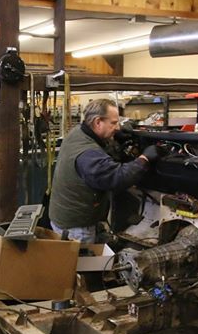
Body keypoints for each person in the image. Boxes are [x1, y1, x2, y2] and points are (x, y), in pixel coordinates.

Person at [48, 98, 159, 243]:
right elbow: (117, 178)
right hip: (77, 229)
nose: (118, 127)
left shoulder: (78, 133)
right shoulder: (88, 154)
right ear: (97, 122)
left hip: (63, 217)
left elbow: (100, 149)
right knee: (82, 264)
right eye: (113, 123)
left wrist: (114, 139)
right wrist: (145, 158)